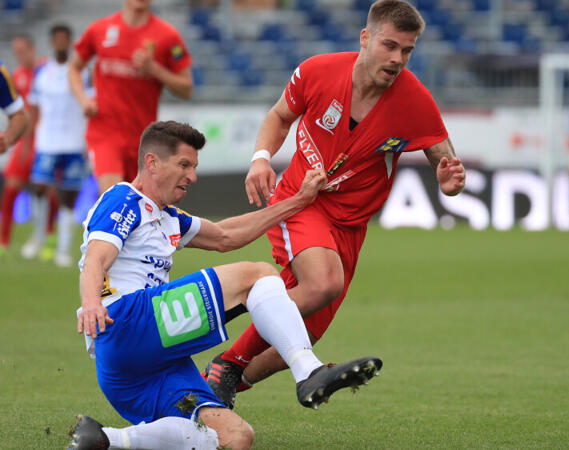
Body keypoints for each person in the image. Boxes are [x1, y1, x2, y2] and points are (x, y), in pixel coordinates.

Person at [202, 0, 465, 409]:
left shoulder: (415, 100)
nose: (397, 59)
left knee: (298, 338)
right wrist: (260, 159)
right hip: (302, 201)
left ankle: (202, 393)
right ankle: (228, 363)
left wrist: (450, 182)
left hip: (350, 228)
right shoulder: (318, 71)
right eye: (390, 46)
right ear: (366, 38)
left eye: (407, 51)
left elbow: (444, 160)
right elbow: (279, 116)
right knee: (323, 284)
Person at [66, 121, 381, 450]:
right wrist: (91, 303)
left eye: (194, 167)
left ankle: (105, 439)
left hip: (139, 365)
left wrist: (298, 202)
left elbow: (226, 236)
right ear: (152, 163)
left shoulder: (168, 216)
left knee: (234, 437)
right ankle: (307, 370)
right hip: (127, 320)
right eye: (184, 165)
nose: (192, 176)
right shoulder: (124, 199)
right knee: (257, 274)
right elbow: (96, 258)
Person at [68, 0, 193, 195]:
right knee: (114, 194)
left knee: (138, 201)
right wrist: (84, 100)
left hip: (143, 137)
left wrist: (155, 70)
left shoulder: (168, 36)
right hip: (105, 131)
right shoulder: (99, 29)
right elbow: (74, 67)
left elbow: (187, 89)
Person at [23, 24, 90, 267]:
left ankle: (63, 250)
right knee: (39, 188)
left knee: (68, 197)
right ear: (52, 42)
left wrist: (89, 141)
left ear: (70, 42)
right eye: (57, 39)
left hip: (74, 142)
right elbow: (33, 107)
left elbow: (90, 105)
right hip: (47, 142)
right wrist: (28, 142)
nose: (61, 43)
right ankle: (38, 237)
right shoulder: (42, 71)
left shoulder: (82, 71)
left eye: (65, 39)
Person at [1, 35, 56, 259]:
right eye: (16, 51)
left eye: (22, 50)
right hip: (26, 140)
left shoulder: (47, 71)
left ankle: (49, 238)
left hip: (48, 139)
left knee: (49, 190)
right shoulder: (16, 76)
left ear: (32, 49)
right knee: (11, 187)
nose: (19, 55)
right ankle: (4, 241)